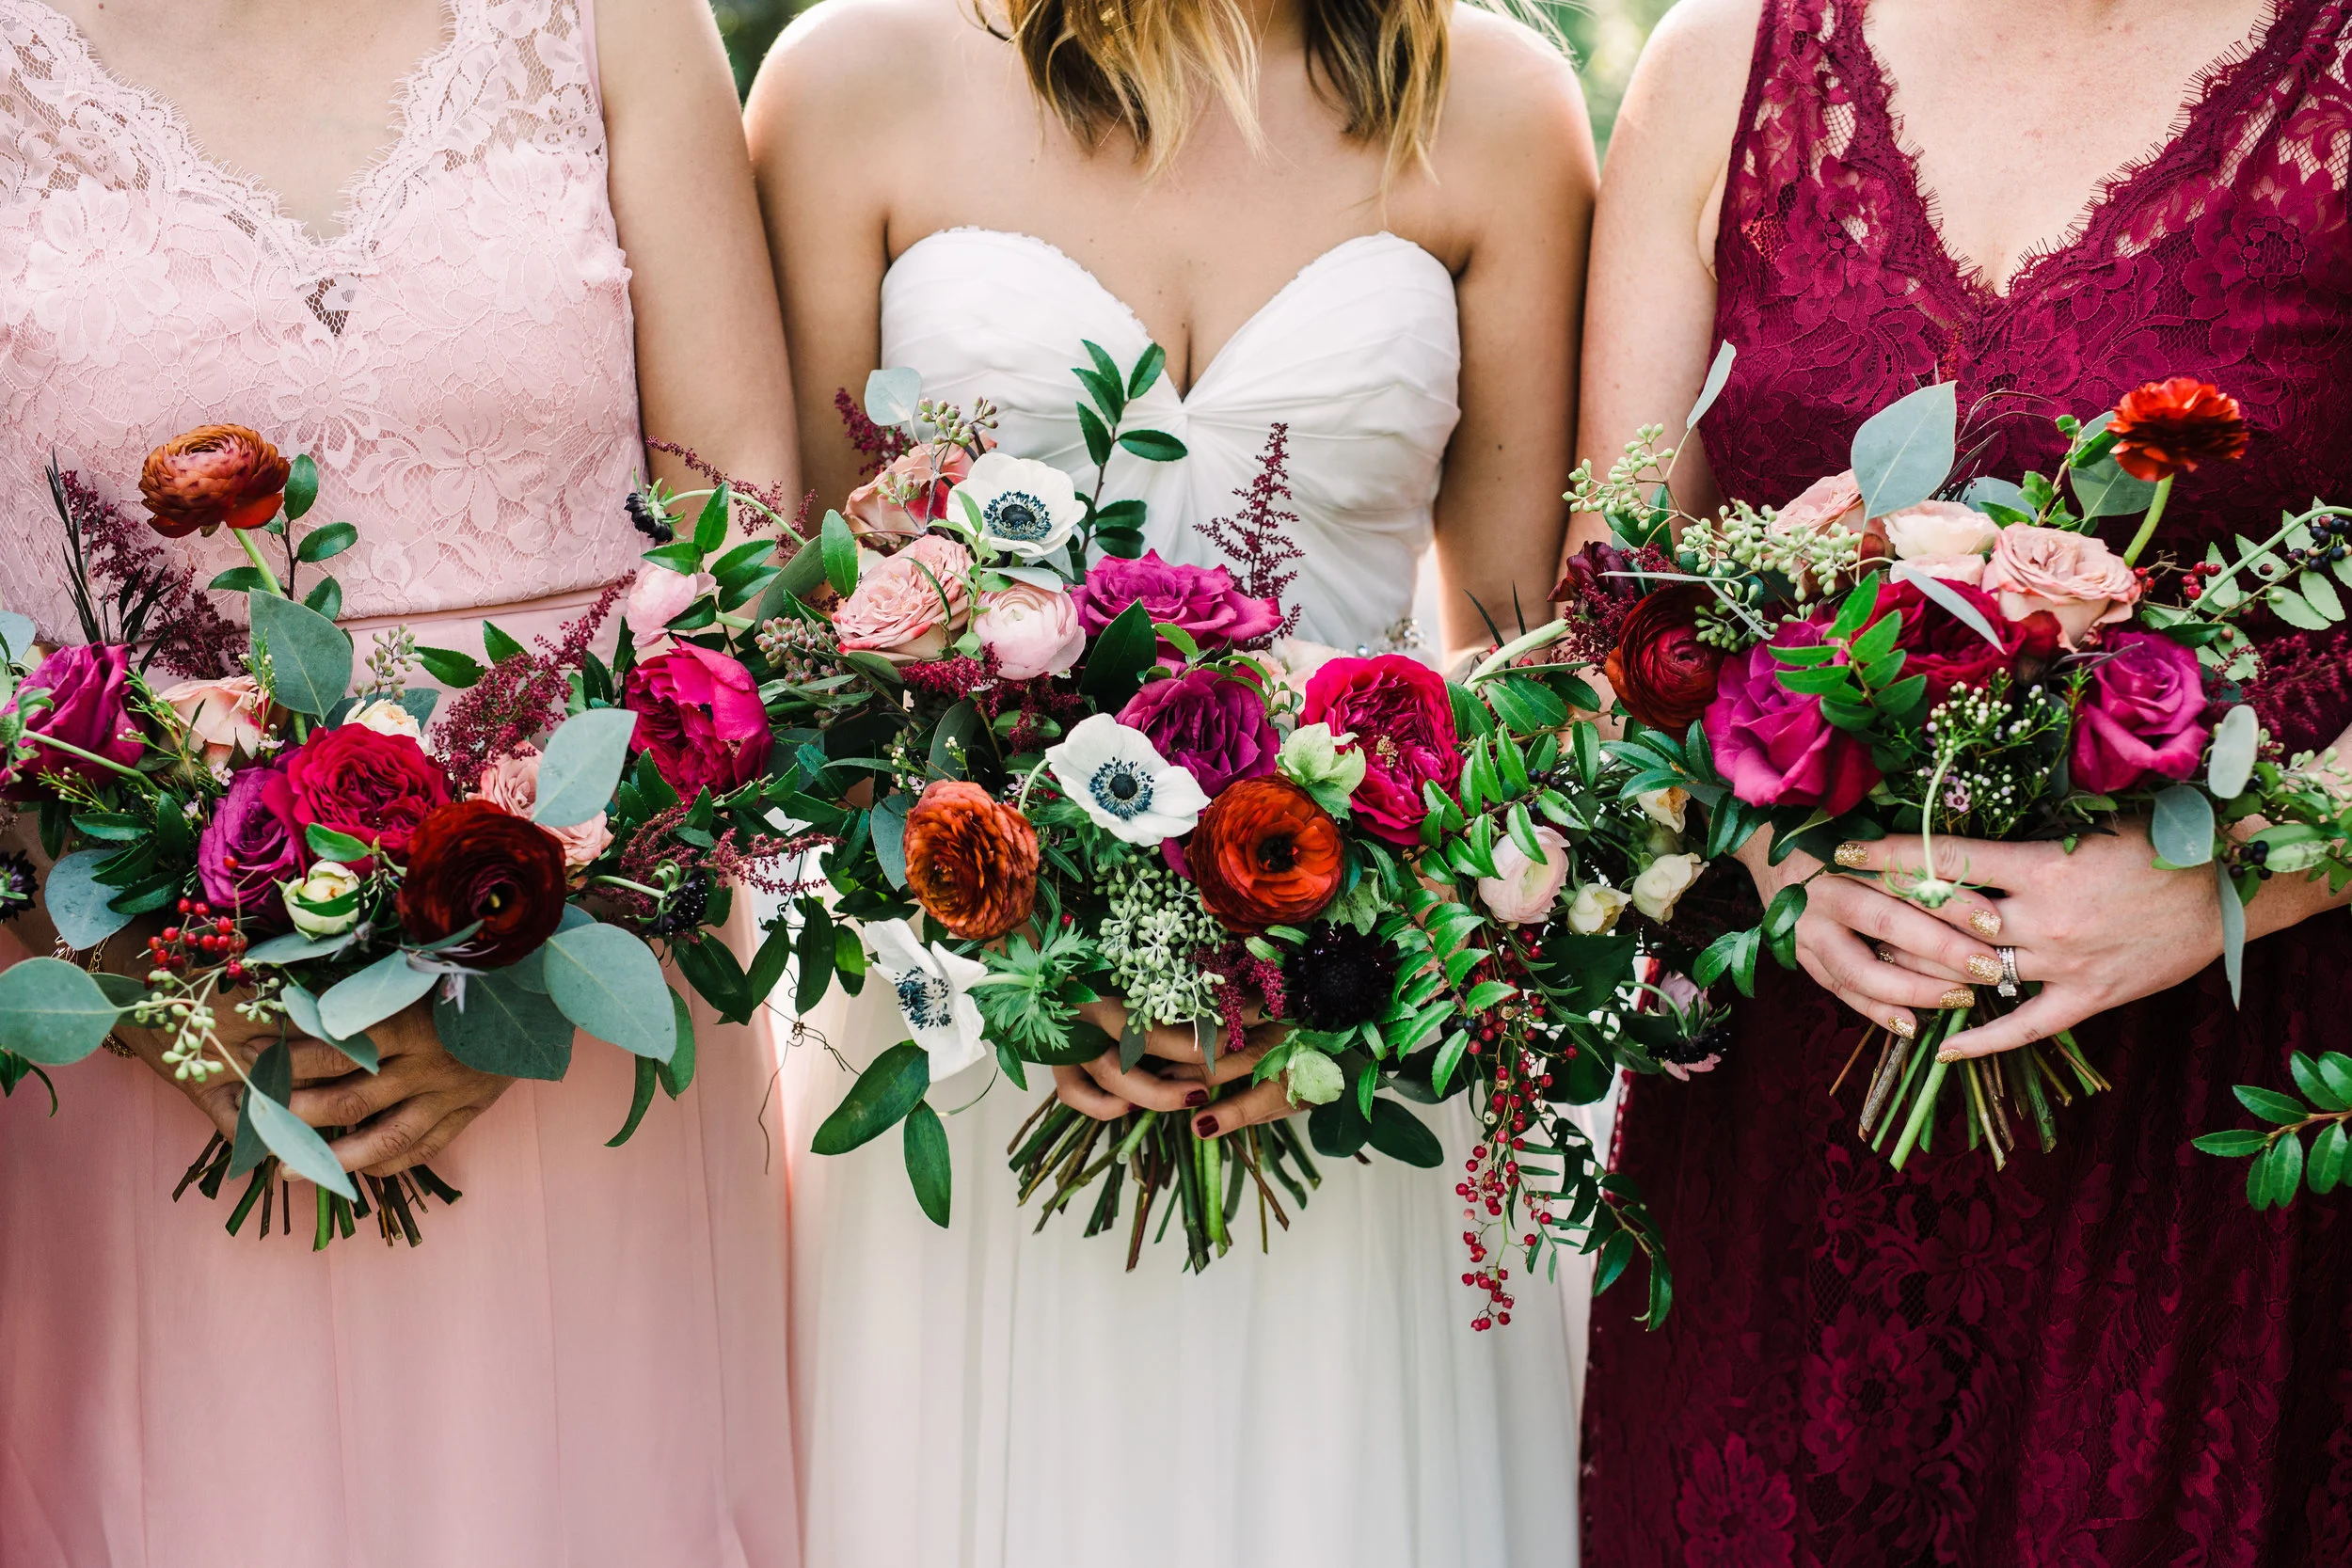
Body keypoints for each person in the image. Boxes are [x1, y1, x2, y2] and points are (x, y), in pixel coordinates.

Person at [745, 0, 1594, 1560]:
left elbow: (1525, 663)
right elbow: (797, 634)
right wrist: (1031, 943)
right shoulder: (853, 80)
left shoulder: (1496, 105)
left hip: (1349, 1057)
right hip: (968, 1050)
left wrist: (1347, 953)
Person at [0, 2, 803, 1562]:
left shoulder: (616, 22)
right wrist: (134, 969)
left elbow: (746, 534)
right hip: (150, 1040)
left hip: (585, 1015)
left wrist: (541, 965)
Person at [1573, 0, 2352, 1560]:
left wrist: (2226, 881)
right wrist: (1773, 863)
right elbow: (1614, 606)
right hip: (1789, 1121)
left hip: (2218, 1115)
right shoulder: (1724, 62)